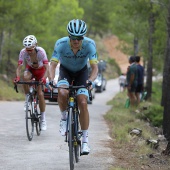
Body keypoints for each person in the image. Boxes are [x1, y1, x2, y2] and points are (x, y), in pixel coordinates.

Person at [49, 19, 98, 155]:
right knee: (63, 93)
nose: (76, 41)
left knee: (82, 102)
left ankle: (85, 141)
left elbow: (94, 68)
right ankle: (64, 118)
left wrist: (91, 80)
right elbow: (52, 65)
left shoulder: (90, 44)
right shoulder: (60, 43)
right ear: (69, 36)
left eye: (79, 38)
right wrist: (51, 79)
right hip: (66, 71)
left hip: (82, 73)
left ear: (83, 37)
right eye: (73, 37)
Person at [13, 35, 49, 131]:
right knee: (25, 77)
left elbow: (47, 68)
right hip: (30, 70)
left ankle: (43, 118)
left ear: (35, 46)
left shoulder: (41, 52)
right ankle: (27, 98)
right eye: (27, 49)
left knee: (40, 94)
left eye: (30, 49)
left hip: (41, 71)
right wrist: (17, 77)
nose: (28, 51)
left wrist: (44, 78)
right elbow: (19, 67)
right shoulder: (23, 52)